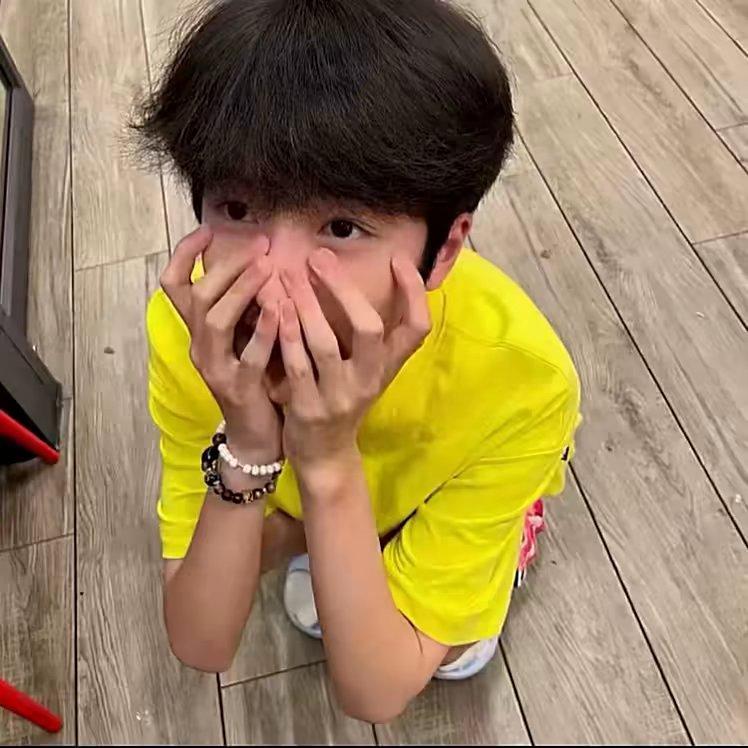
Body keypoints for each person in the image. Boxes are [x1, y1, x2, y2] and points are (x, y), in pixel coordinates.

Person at [133, 0, 581, 723]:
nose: (275, 279)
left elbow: (375, 695)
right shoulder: (198, 331)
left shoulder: (520, 377)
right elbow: (200, 641)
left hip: (437, 484)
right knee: (327, 604)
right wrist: (250, 441)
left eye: (341, 226)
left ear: (445, 248)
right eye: (238, 210)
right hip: (304, 495)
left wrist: (327, 460)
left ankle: (493, 529)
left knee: (452, 653)